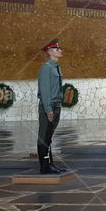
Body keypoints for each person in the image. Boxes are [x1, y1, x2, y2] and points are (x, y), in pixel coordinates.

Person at [37, 39, 67, 174]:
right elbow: (44, 91)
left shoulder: (56, 67)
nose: (60, 50)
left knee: (49, 136)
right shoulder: (46, 68)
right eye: (56, 49)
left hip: (56, 105)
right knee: (44, 136)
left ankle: (50, 164)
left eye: (59, 48)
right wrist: (48, 109)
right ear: (49, 52)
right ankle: (44, 166)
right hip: (48, 106)